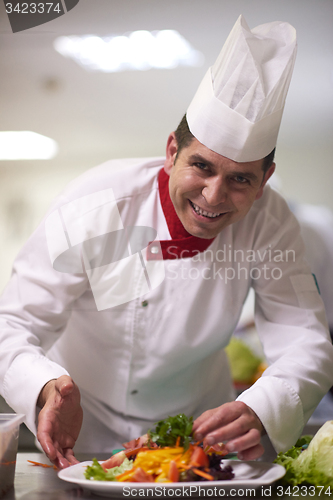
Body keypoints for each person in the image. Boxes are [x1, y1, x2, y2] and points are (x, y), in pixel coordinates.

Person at [1, 15, 333, 470]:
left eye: (240, 178)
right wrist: (44, 386)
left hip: (201, 441)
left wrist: (263, 406)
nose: (214, 196)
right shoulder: (94, 205)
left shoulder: (271, 223)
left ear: (264, 180)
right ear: (172, 152)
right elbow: (13, 323)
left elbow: (304, 339)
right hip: (83, 434)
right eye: (202, 167)